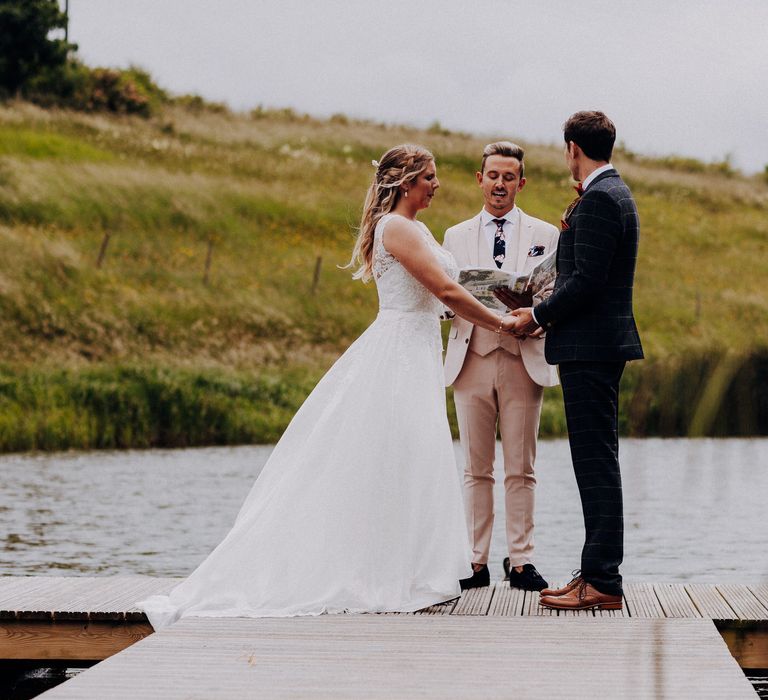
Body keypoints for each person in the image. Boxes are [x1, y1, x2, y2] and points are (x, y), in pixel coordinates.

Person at [139, 144, 521, 628]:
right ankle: (382, 572)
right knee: (394, 455)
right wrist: (503, 323)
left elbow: (439, 298)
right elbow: (445, 290)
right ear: (407, 183)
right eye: (430, 177)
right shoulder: (397, 228)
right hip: (398, 355)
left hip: (418, 350)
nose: (437, 185)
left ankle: (407, 567)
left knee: (412, 457)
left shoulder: (417, 228)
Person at [503, 112, 644, 611]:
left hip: (593, 348)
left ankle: (603, 582)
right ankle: (594, 570)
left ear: (571, 149)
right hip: (593, 345)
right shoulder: (611, 193)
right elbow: (587, 278)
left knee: (596, 465)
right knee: (595, 463)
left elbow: (586, 281)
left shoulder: (602, 199)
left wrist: (535, 314)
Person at [442, 142, 559, 592]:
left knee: (521, 466)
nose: (500, 184)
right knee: (475, 468)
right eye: (493, 175)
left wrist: (536, 312)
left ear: (521, 183)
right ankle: (475, 561)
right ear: (479, 178)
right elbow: (445, 296)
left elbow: (555, 293)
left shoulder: (545, 234)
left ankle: (522, 561)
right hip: (470, 358)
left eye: (509, 177)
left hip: (523, 357)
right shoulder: (454, 235)